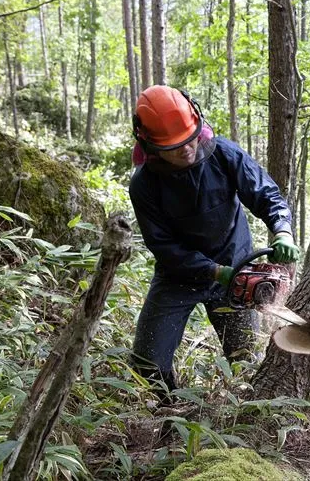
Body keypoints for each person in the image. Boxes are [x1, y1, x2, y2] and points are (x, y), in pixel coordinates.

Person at [128, 85, 299, 400]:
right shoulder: (144, 185)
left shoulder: (224, 154)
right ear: (151, 145)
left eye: (190, 138)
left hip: (236, 267)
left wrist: (282, 230)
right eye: (175, 146)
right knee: (147, 362)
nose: (187, 148)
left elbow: (265, 193)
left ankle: (239, 414)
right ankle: (168, 410)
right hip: (179, 275)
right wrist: (214, 271)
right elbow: (164, 246)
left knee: (244, 360)